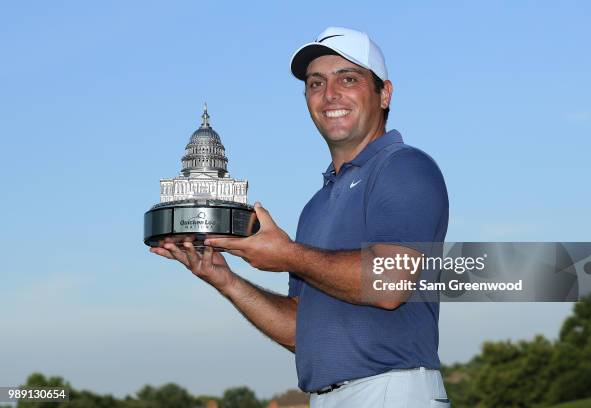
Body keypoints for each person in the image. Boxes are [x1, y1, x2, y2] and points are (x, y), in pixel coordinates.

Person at [151, 26, 450, 408]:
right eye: (316, 83)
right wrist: (225, 280)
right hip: (326, 397)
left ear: (384, 93)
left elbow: (390, 282)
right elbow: (300, 331)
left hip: (391, 391)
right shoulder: (316, 205)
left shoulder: (404, 166)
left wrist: (288, 255)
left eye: (349, 78)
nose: (330, 95)